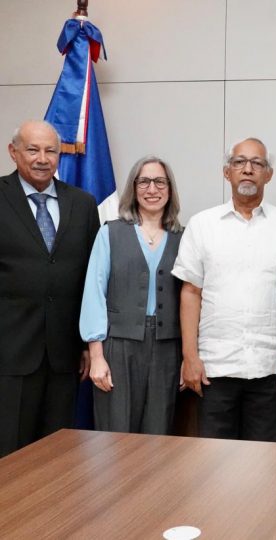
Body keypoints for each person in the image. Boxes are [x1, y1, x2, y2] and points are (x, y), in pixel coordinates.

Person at [172, 137, 276, 442]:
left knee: (266, 467)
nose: (248, 169)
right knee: (214, 469)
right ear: (226, 172)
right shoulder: (202, 224)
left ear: (268, 174)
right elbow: (190, 293)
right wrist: (190, 357)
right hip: (214, 368)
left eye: (257, 163)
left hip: (271, 368)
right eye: (239, 162)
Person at [0, 120, 100, 457]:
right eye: (33, 149)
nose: (42, 158)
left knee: (57, 456)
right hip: (9, 354)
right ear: (13, 153)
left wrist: (87, 343)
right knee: (10, 454)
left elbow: (91, 277)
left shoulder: (83, 204)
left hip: (64, 356)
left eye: (50, 150)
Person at [79, 156, 184, 434]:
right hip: (118, 346)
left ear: (170, 189)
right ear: (133, 188)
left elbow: (193, 299)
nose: (152, 189)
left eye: (160, 182)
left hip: (167, 347)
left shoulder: (184, 238)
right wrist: (97, 356)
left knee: (158, 434)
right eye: (144, 181)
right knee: (116, 431)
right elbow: (94, 294)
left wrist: (189, 357)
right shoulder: (110, 233)